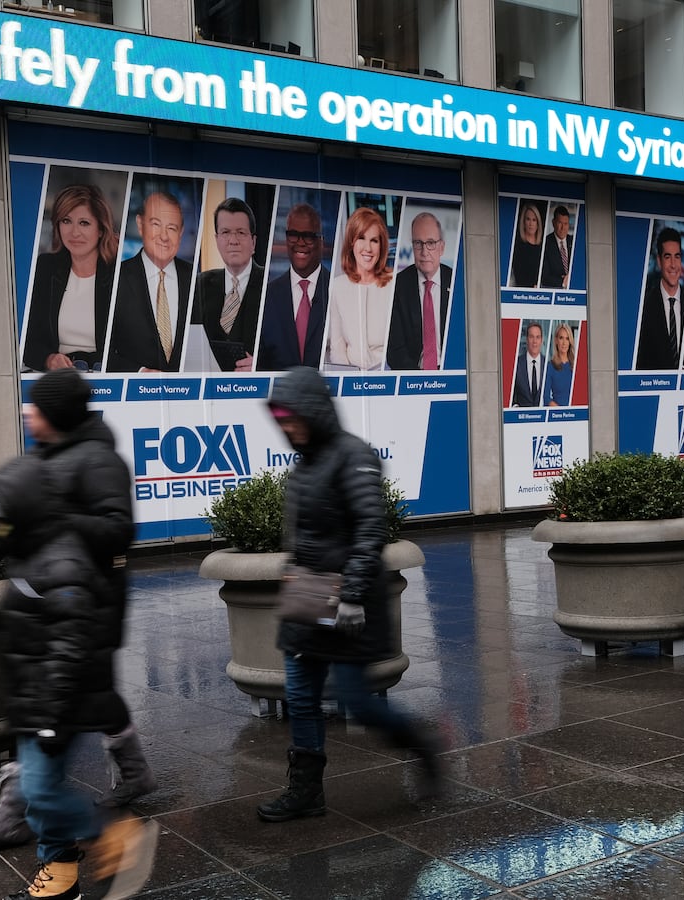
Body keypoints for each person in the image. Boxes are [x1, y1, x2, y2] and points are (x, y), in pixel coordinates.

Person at [0, 368, 158, 900]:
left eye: (35, 405)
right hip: (40, 623)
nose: (25, 412)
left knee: (54, 747)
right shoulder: (43, 459)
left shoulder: (98, 461)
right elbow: (2, 525)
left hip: (79, 613)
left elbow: (117, 531)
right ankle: (58, 872)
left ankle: (110, 826)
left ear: (57, 414)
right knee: (47, 752)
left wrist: (60, 519)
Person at [254, 366, 443, 824]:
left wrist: (353, 594)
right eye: (280, 418)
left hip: (348, 602)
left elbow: (370, 527)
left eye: (292, 417)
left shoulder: (353, 456)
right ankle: (306, 792)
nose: (286, 426)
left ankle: (422, 747)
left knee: (357, 701)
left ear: (314, 411)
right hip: (308, 600)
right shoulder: (305, 465)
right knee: (300, 696)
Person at [21, 184, 119, 372]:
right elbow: (27, 340)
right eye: (66, 221)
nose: (74, 233)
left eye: (84, 223)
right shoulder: (45, 268)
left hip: (105, 378)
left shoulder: (120, 273)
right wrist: (49, 359)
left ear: (100, 229)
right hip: (56, 379)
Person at [109, 191, 191, 372]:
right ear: (140, 225)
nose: (164, 236)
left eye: (172, 228)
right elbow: (103, 352)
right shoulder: (116, 279)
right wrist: (139, 373)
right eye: (156, 224)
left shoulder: (195, 279)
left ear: (181, 233)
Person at [193, 197, 266, 372]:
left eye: (241, 232)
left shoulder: (272, 286)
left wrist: (264, 367)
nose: (233, 241)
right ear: (217, 240)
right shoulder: (199, 285)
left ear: (253, 242)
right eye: (225, 232)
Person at [258, 204, 331, 370]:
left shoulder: (336, 291)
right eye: (293, 235)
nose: (300, 243)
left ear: (320, 241)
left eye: (308, 236)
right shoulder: (268, 296)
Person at [325, 206, 394, 371]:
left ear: (382, 246)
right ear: (351, 242)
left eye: (374, 241)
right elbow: (337, 346)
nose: (368, 248)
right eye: (361, 238)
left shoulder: (393, 284)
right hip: (350, 376)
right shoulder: (338, 286)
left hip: (387, 374)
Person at [386, 211, 454, 371]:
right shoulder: (398, 285)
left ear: (441, 247)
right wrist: (418, 380)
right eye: (418, 243)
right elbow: (395, 349)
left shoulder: (456, 281)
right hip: (413, 374)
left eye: (431, 243)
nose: (424, 252)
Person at [635, 228, 684, 370]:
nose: (673, 265)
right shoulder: (645, 307)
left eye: (677, 256)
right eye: (667, 257)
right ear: (659, 261)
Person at [510, 321, 546, 407]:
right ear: (526, 339)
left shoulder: (548, 365)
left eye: (537, 337)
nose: (534, 341)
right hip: (522, 417)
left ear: (541, 340)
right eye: (531, 337)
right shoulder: (516, 364)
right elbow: (511, 396)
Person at [508, 201, 544, 288]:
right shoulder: (517, 246)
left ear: (538, 223)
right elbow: (518, 275)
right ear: (523, 222)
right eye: (528, 219)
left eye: (534, 220)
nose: (531, 224)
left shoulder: (543, 245)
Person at [539, 205, 574, 289]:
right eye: (560, 223)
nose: (562, 228)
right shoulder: (545, 243)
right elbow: (544, 277)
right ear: (553, 223)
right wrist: (563, 282)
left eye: (565, 224)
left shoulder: (573, 241)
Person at [544, 322, 575, 407]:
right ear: (556, 340)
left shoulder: (576, 365)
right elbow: (546, 397)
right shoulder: (550, 366)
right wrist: (561, 413)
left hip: (576, 413)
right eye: (561, 338)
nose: (564, 343)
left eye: (567, 338)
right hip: (558, 414)